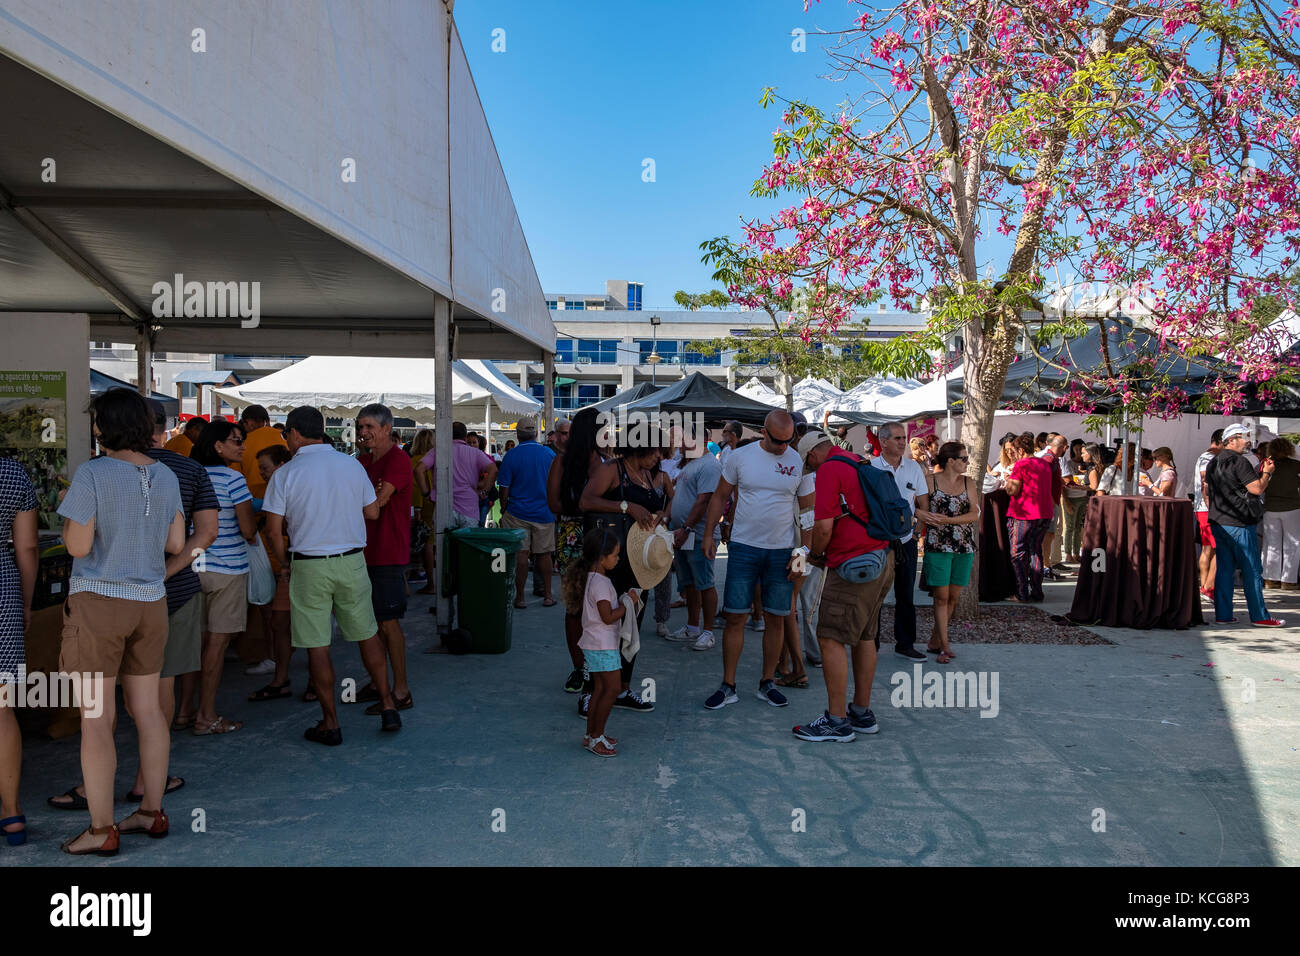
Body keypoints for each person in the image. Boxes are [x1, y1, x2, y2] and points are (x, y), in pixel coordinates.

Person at [56, 388, 186, 854]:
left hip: (99, 603)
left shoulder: (92, 472)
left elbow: (77, 547)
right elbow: (176, 543)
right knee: (149, 712)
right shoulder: (167, 474)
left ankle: (100, 829)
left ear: (104, 425)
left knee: (96, 719)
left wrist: (71, 506)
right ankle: (151, 811)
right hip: (151, 603)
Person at [262, 405, 403, 744]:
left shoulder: (285, 474)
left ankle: (331, 722)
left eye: (287, 435)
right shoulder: (351, 465)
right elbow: (371, 512)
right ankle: (388, 705)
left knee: (317, 645)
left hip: (309, 563)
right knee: (367, 634)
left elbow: (272, 529)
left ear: (295, 434)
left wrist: (284, 564)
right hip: (352, 560)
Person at [701, 410, 813, 711]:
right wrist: (708, 535)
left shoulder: (796, 460)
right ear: (764, 432)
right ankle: (728, 685)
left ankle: (767, 683)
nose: (782, 448)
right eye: (777, 441)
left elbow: (808, 514)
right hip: (743, 547)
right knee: (736, 615)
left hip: (782, 551)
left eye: (788, 441)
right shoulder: (739, 457)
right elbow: (719, 497)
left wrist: (803, 555)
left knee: (777, 617)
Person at [791, 430, 894, 742]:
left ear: (811, 456)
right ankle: (861, 713)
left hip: (853, 565)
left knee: (830, 638)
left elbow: (822, 527)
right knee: (865, 636)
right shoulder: (861, 461)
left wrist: (816, 555)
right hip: (882, 557)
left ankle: (836, 721)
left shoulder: (829, 470)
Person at [174, 420, 254, 736]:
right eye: (236, 441)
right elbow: (248, 530)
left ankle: (183, 711)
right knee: (216, 647)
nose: (242, 447)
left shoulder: (188, 475)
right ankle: (206, 716)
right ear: (218, 446)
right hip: (227, 571)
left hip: (191, 567)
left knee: (194, 645)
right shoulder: (234, 479)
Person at [579, 442, 668, 715]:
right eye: (653, 451)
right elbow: (586, 501)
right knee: (604, 629)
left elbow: (657, 506)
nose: (658, 457)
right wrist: (626, 506)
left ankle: (621, 688)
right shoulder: (612, 470)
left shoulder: (647, 475)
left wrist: (661, 516)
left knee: (632, 622)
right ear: (636, 449)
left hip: (640, 561)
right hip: (612, 558)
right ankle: (589, 692)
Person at [355, 404, 414, 714]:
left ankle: (401, 689)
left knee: (388, 623)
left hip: (388, 553)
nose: (363, 432)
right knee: (370, 625)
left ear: (387, 428)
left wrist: (365, 500)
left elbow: (374, 507)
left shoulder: (398, 460)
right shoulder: (362, 462)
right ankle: (380, 682)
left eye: (368, 427)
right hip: (362, 552)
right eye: (360, 426)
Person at [565, 529, 640, 757]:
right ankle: (596, 737)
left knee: (599, 689)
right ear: (601, 557)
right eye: (615, 555)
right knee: (613, 689)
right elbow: (607, 617)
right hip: (603, 644)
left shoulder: (590, 578)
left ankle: (592, 734)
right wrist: (628, 604)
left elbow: (603, 611)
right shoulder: (601, 583)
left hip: (594, 643)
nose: (618, 559)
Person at [549, 409, 609, 691]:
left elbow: (554, 505)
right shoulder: (590, 462)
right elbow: (555, 504)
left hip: (583, 538)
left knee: (585, 608)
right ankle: (586, 668)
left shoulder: (570, 461)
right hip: (586, 537)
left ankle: (586, 668)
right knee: (585, 607)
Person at [1205, 423, 1283, 627]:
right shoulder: (1240, 462)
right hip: (1239, 522)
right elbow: (1256, 489)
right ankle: (1259, 616)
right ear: (1231, 439)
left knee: (1224, 569)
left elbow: (1207, 491)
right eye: (1243, 436)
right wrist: (1267, 473)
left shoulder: (1213, 463)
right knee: (1252, 570)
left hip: (1219, 521)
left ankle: (1223, 614)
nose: (1248, 440)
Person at [0, 457, 38, 845]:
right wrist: (25, 603)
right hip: (2, 592)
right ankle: (11, 813)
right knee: (1, 708)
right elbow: (26, 545)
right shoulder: (11, 473)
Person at [871, 422, 930, 661]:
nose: (902, 442)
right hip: (878, 540)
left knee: (905, 594)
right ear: (883, 441)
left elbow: (923, 503)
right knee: (874, 594)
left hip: (906, 539)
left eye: (903, 438)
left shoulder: (913, 467)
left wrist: (917, 535)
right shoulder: (871, 468)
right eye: (897, 438)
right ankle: (869, 643)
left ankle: (905, 644)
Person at [918, 442, 980, 662]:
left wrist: (950, 520)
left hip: (963, 546)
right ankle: (945, 645)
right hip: (937, 545)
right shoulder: (929, 481)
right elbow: (920, 509)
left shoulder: (968, 482)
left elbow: (974, 514)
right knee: (941, 597)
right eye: (963, 458)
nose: (967, 462)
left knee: (953, 597)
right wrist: (918, 523)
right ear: (950, 461)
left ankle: (935, 640)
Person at [665, 427, 722, 651]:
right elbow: (678, 495)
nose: (678, 445)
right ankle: (693, 627)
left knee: (705, 583)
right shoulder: (691, 463)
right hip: (682, 534)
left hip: (697, 535)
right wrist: (667, 517)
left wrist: (687, 527)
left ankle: (708, 631)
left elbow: (704, 501)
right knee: (688, 584)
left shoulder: (710, 465)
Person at [247, 444, 295, 700]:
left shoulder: (287, 486)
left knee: (282, 620)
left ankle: (280, 670)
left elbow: (275, 530)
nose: (263, 474)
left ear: (280, 466)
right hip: (277, 563)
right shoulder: (265, 490)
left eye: (265, 469)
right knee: (277, 620)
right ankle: (278, 667)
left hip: (288, 564)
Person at [497, 418, 557, 608]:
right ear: (536, 434)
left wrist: (504, 507)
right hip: (544, 512)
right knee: (545, 555)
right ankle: (548, 595)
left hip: (517, 512)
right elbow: (556, 484)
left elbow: (504, 488)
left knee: (521, 555)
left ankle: (520, 597)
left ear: (517, 435)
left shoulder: (511, 455)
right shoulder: (549, 454)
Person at [1003, 432, 1059, 603]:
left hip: (1025, 513)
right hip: (1044, 512)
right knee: (1035, 551)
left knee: (1017, 552)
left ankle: (1021, 593)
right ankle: (1036, 592)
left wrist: (1007, 480)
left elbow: (1012, 490)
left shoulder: (1022, 465)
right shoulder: (1044, 464)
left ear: (1020, 450)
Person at [1261, 436, 1300, 590]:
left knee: (1271, 544)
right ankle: (1288, 581)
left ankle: (1270, 579)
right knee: (1293, 544)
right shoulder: (1296, 465)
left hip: (1270, 508)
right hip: (1292, 507)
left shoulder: (1266, 465)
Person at [1194, 430, 1223, 599]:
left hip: (1204, 508)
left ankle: (1205, 587)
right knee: (1219, 548)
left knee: (1208, 548)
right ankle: (1209, 587)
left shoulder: (1205, 456)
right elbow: (1205, 481)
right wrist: (1211, 505)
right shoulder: (1209, 457)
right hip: (1208, 508)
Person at [238, 405, 289, 501]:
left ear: (249, 422)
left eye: (244, 424)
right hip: (281, 497)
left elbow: (236, 474)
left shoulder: (242, 443)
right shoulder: (285, 438)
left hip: (252, 499)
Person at [407, 429, 437, 593]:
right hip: (434, 504)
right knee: (429, 543)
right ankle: (427, 578)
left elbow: (415, 488)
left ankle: (430, 582)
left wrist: (416, 509)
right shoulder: (436, 460)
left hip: (421, 505)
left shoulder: (414, 462)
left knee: (423, 544)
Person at [1061, 438, 1089, 563]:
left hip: (1083, 497)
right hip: (1071, 497)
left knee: (1079, 526)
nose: (1078, 452)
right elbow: (1065, 482)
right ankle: (1068, 553)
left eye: (1080, 450)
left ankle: (1077, 552)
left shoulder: (1088, 465)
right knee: (1069, 526)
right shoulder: (1067, 463)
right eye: (1076, 449)